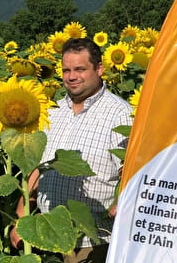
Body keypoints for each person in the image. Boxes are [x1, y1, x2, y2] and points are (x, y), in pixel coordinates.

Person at [10, 37, 133, 263]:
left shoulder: (120, 114)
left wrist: (120, 205)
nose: (71, 76)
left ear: (99, 69)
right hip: (44, 236)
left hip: (89, 243)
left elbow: (131, 172)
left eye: (80, 69)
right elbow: (37, 167)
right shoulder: (52, 112)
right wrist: (22, 218)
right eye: (66, 70)